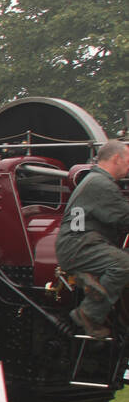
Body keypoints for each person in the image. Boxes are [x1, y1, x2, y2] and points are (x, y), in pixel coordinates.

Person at [56, 140, 129, 338]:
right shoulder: (100, 184)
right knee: (124, 264)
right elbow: (125, 217)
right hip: (79, 245)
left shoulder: (95, 180)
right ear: (116, 158)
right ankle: (88, 314)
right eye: (128, 161)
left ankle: (88, 278)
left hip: (82, 244)